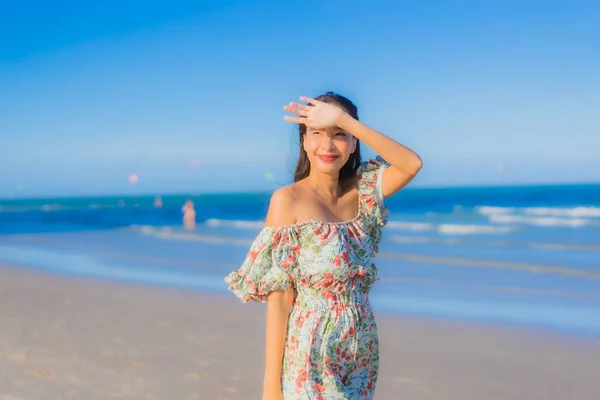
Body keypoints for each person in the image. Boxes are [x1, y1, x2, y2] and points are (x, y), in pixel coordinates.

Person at [224, 92, 422, 399]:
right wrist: (270, 387)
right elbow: (280, 298)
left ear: (354, 141)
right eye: (317, 133)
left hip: (361, 346)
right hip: (309, 348)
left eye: (340, 135)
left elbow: (411, 164)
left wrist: (343, 119)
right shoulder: (287, 201)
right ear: (304, 140)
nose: (328, 146)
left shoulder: (366, 190)